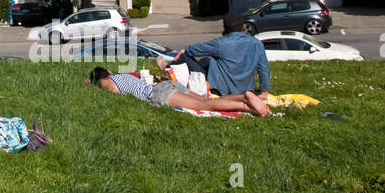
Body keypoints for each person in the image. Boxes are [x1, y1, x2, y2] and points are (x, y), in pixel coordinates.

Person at [156, 12, 271, 100]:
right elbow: (263, 69)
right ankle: (182, 78)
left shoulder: (222, 42)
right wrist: (264, 91)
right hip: (244, 90)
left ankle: (168, 69)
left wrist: (185, 50)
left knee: (185, 57)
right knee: (206, 60)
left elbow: (197, 49)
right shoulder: (257, 44)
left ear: (225, 27)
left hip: (221, 90)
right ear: (243, 26)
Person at [87, 66, 270, 116]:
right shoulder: (124, 76)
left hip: (160, 94)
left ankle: (249, 107)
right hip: (165, 85)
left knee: (206, 106)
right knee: (207, 99)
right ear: (110, 71)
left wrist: (91, 82)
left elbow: (103, 86)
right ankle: (244, 97)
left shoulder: (106, 83)